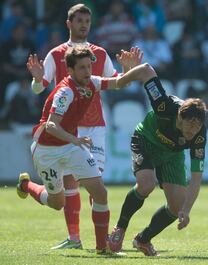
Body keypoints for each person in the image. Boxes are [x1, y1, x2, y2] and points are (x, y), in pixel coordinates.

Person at [27, 4, 142, 250]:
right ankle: (75, 239)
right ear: (69, 23)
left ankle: (103, 245)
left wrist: (128, 71)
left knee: (95, 185)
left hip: (94, 127)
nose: (83, 25)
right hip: (65, 132)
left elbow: (115, 82)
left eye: (87, 21)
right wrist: (37, 80)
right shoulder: (56, 54)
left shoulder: (98, 54)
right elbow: (40, 87)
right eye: (78, 20)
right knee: (68, 188)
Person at [107, 63, 208, 256]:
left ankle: (143, 239)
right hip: (146, 140)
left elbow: (196, 178)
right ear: (180, 117)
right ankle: (119, 228)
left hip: (172, 155)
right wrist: (120, 81)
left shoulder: (199, 134)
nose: (192, 132)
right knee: (146, 184)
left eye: (197, 128)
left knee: (177, 204)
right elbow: (145, 70)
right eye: (189, 127)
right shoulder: (164, 106)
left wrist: (186, 210)